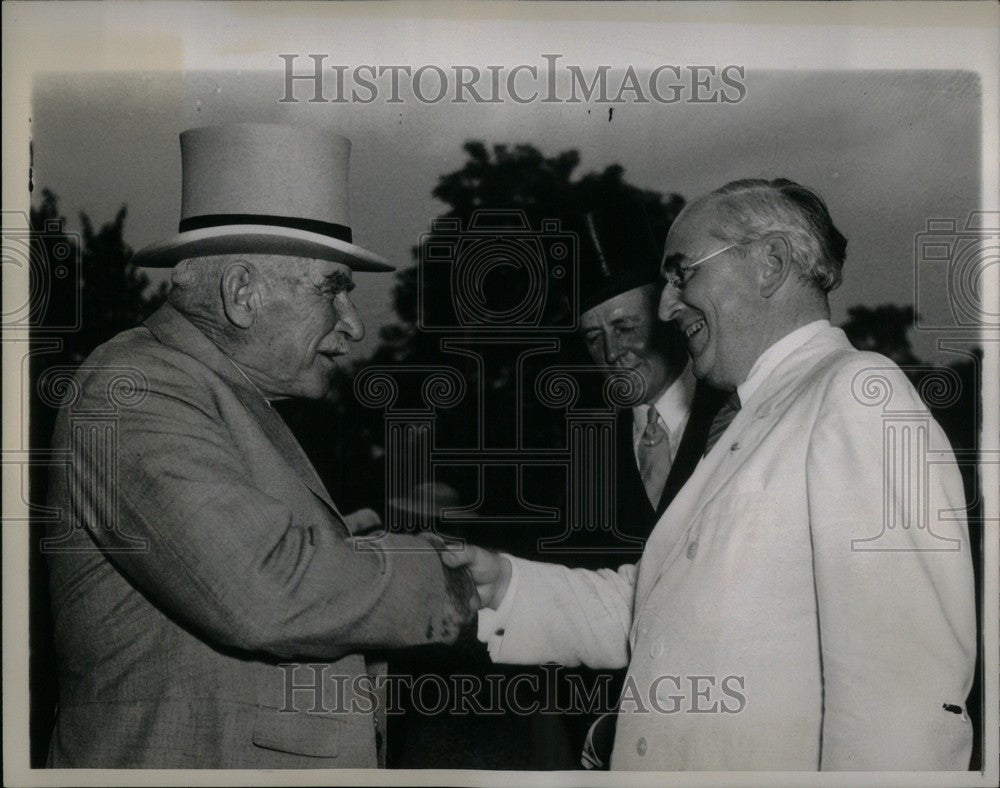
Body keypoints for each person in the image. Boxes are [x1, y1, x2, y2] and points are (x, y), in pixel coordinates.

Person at [444, 178, 977, 770]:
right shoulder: (755, 417)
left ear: (769, 265)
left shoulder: (855, 395)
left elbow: (903, 700)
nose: (668, 306)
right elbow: (653, 603)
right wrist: (507, 584)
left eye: (683, 274)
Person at [44, 123, 478, 768]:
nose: (354, 325)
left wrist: (352, 547)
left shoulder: (211, 396)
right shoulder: (130, 391)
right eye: (333, 288)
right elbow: (265, 592)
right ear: (242, 293)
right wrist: (450, 580)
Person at [575, 202, 726, 555]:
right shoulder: (585, 458)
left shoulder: (735, 413)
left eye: (625, 327)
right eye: (594, 339)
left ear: (667, 316)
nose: (612, 352)